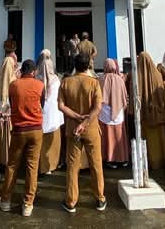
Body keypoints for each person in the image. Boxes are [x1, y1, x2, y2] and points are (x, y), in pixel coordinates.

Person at [58, 53, 106, 213]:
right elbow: (97, 108)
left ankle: (71, 201)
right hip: (91, 128)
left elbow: (61, 106)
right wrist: (84, 122)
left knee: (72, 166)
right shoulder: (94, 83)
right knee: (96, 164)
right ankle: (100, 198)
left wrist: (76, 117)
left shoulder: (66, 82)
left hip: (73, 128)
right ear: (88, 66)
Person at [0, 59, 44, 217]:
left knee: (12, 165)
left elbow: (12, 104)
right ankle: (28, 204)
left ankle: (5, 200)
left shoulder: (14, 85)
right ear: (34, 71)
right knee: (32, 167)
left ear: (22, 70)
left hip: (19, 129)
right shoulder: (40, 85)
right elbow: (42, 104)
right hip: (36, 129)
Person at [136, 51, 165, 170]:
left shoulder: (137, 77)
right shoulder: (158, 75)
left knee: (148, 141)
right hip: (158, 114)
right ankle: (161, 161)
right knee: (160, 141)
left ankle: (149, 163)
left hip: (145, 115)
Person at [36, 49, 64, 175]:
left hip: (40, 114)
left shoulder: (36, 79)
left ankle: (39, 166)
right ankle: (50, 165)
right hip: (53, 115)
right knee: (52, 142)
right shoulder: (56, 80)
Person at [98, 58, 128, 169]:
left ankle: (110, 159)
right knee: (119, 135)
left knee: (108, 136)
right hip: (119, 111)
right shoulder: (120, 79)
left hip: (105, 112)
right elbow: (124, 96)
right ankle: (122, 158)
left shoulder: (101, 79)